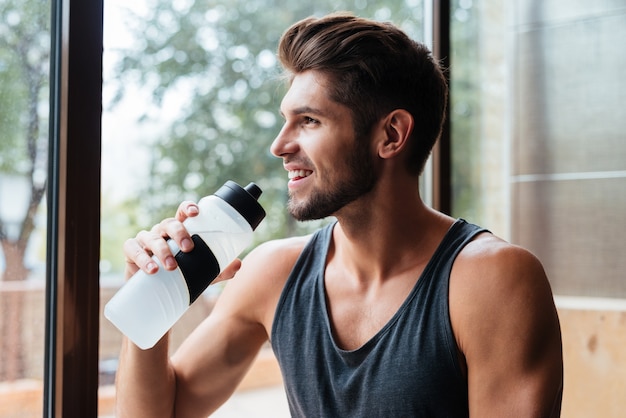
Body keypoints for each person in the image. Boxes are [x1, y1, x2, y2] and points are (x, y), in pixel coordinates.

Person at [115, 12, 563, 417]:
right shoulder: (272, 274)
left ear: (391, 134)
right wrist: (153, 289)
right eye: (286, 120)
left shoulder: (492, 282)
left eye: (309, 121)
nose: (279, 146)